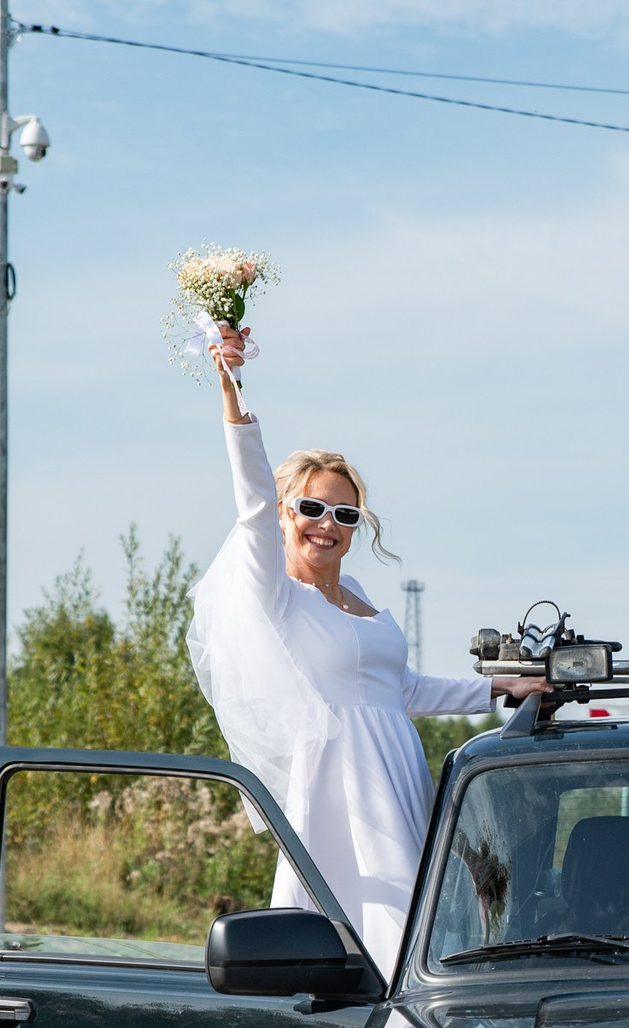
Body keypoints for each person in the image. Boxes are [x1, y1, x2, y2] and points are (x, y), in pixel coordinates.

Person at [187, 324, 540, 970]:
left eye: (346, 515)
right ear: (286, 514)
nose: (329, 525)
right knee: (381, 936)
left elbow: (401, 688)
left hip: (397, 775)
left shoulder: (356, 596)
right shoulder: (276, 597)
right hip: (342, 792)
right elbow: (252, 500)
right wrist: (231, 387)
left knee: (421, 937)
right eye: (314, 509)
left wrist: (499, 686)